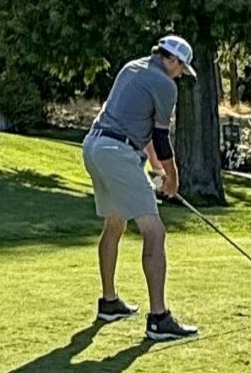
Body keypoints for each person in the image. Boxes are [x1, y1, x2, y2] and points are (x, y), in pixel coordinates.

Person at [82, 34, 199, 343]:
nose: (180, 75)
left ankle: (109, 303)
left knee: (115, 223)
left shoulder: (132, 68)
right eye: (181, 69)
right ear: (171, 60)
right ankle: (159, 319)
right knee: (155, 231)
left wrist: (158, 171)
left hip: (94, 146)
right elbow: (161, 138)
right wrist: (172, 178)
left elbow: (142, 132)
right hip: (116, 153)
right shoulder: (165, 84)